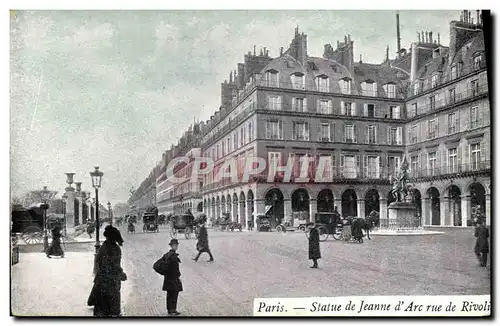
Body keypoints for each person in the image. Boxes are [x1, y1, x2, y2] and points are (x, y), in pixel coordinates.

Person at [91, 225, 127, 317]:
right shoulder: (115, 249)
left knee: (101, 301)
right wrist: (121, 272)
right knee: (112, 301)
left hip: (102, 277)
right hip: (112, 279)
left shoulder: (104, 246)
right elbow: (115, 264)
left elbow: (98, 260)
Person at [153, 239, 183, 316]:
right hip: (173, 278)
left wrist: (165, 273)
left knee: (170, 294)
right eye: (175, 245)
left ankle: (170, 310)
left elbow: (158, 265)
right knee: (174, 294)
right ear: (172, 246)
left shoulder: (167, 255)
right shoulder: (173, 256)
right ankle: (173, 310)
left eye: (176, 245)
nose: (176, 246)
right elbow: (174, 269)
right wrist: (177, 276)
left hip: (168, 278)